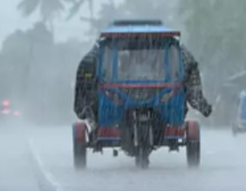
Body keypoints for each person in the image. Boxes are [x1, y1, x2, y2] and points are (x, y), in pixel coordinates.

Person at [73, 43, 212, 132]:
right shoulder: (92, 63)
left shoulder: (182, 59)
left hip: (153, 94)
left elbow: (193, 89)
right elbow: (85, 91)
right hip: (125, 95)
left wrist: (203, 107)